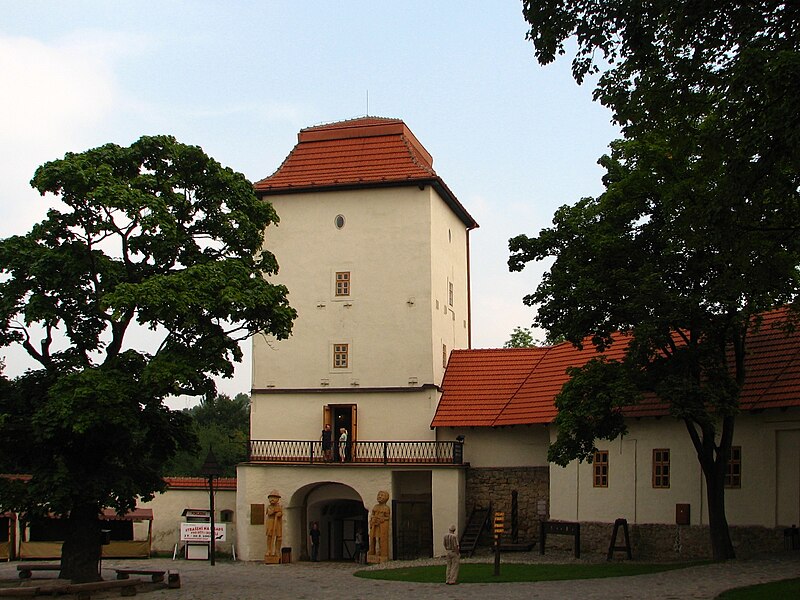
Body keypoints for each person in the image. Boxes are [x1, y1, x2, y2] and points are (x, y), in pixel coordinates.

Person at [368, 490, 390, 561]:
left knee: (381, 539)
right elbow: (372, 515)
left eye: (382, 495)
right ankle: (372, 551)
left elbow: (387, 517)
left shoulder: (386, 508)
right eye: (379, 495)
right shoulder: (375, 506)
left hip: (381, 525)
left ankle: (382, 552)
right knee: (373, 538)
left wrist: (382, 519)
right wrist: (373, 519)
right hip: (375, 525)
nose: (379, 496)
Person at [264, 490, 283, 561]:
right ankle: (269, 550)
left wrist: (279, 514)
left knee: (279, 537)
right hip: (270, 521)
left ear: (278, 499)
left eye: (274, 498)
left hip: (277, 523)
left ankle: (277, 550)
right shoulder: (269, 506)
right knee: (269, 536)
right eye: (271, 497)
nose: (272, 499)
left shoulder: (279, 506)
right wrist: (274, 511)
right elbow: (269, 513)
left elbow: (281, 513)